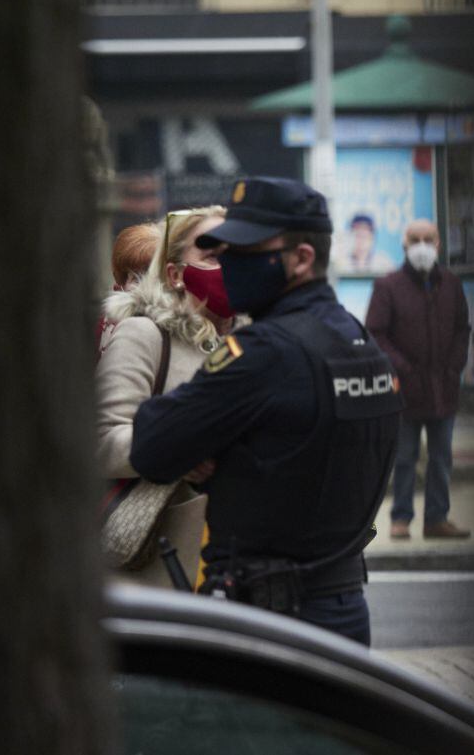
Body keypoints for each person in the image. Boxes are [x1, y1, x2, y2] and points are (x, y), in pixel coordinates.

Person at [130, 177, 402, 645]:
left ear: (301, 258)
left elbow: (152, 444)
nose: (231, 263)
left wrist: (213, 450)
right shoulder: (354, 339)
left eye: (248, 250)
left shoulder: (264, 352)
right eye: (223, 249)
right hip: (343, 608)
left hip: (270, 623)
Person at [96, 207, 233, 586]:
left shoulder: (251, 338)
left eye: (236, 253)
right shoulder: (145, 334)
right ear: (174, 274)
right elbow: (101, 441)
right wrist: (178, 448)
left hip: (237, 561)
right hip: (164, 562)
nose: (228, 266)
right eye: (212, 255)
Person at [365, 219, 472, 540]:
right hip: (405, 391)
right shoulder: (388, 286)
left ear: (439, 244)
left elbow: (462, 330)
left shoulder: (451, 284)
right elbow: (376, 333)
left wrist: (454, 367)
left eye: (428, 239)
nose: (422, 245)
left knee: (441, 459)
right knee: (404, 457)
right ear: (404, 245)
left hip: (443, 388)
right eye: (415, 239)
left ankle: (437, 519)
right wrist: (402, 369)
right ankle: (400, 519)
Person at [97, 221, 163, 357]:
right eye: (137, 279)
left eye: (153, 277)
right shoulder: (102, 326)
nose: (146, 286)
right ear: (123, 282)